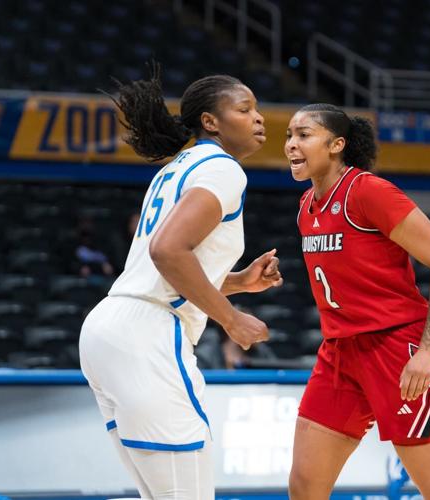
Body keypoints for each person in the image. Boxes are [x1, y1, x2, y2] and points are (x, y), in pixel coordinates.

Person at [79, 64, 282, 500]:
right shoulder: (224, 169)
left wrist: (238, 282)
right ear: (211, 121)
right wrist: (231, 319)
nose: (259, 118)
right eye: (245, 109)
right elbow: (168, 252)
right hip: (147, 335)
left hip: (110, 328)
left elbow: (163, 270)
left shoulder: (177, 167)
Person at [285, 104, 430, 500]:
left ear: (336, 145)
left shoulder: (368, 191)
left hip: (396, 351)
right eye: (289, 136)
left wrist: (427, 351)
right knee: (304, 486)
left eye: (303, 135)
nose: (291, 145)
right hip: (340, 352)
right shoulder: (305, 207)